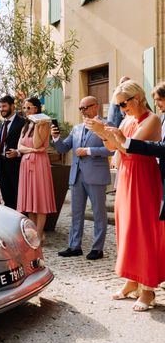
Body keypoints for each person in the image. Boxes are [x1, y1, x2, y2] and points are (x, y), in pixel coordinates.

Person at [86, 80, 164, 311]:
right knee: (126, 228)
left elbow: (131, 147)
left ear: (137, 98)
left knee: (143, 231)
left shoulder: (152, 119)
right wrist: (102, 134)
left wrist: (109, 134)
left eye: (123, 104)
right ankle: (131, 280)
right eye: (118, 105)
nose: (121, 109)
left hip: (144, 177)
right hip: (127, 175)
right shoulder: (127, 119)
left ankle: (148, 289)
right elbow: (113, 148)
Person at [52, 97, 112, 260]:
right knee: (76, 212)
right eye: (80, 108)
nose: (83, 111)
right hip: (77, 176)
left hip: (96, 175)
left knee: (99, 213)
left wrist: (89, 151)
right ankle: (74, 246)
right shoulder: (76, 129)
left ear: (96, 106)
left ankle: (97, 249)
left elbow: (112, 150)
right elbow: (64, 148)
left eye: (86, 107)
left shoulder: (106, 125)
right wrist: (56, 138)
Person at [16, 97, 56, 243]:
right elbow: (19, 147)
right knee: (29, 201)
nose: (26, 111)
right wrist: (32, 150)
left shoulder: (44, 124)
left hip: (39, 164)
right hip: (26, 164)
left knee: (39, 198)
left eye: (29, 108)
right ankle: (33, 232)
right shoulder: (25, 126)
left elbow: (38, 142)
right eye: (25, 108)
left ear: (36, 109)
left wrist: (38, 126)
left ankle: (39, 234)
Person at [0, 95, 25, 209]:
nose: (1, 109)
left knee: (18, 198)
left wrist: (17, 152)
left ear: (12, 106)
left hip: (16, 166)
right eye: (0, 107)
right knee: (7, 199)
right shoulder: (0, 125)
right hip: (1, 166)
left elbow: (28, 145)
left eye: (4, 106)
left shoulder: (22, 123)